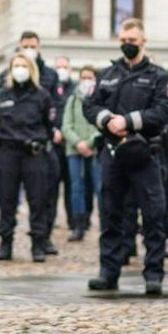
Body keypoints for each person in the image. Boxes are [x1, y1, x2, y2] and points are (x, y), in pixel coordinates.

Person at [83, 18, 168, 294]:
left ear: (143, 42)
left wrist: (129, 121)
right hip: (113, 152)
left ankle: (153, 274)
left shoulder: (158, 76)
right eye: (123, 41)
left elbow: (163, 110)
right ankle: (108, 271)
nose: (127, 45)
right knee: (111, 213)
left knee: (153, 214)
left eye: (132, 41)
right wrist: (107, 118)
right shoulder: (108, 73)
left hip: (144, 151)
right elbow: (90, 104)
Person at [0, 52, 58, 262]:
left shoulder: (42, 95)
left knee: (37, 200)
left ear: (31, 69)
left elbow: (49, 126)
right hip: (8, 152)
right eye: (16, 66)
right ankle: (5, 243)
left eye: (23, 65)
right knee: (7, 200)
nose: (20, 69)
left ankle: (38, 244)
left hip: (33, 153)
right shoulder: (2, 95)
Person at [61, 66, 101, 242]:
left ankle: (105, 223)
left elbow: (102, 124)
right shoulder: (73, 99)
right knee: (76, 188)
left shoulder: (101, 99)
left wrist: (90, 142)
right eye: (83, 77)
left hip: (95, 150)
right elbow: (66, 125)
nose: (86, 81)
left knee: (100, 187)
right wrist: (78, 143)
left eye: (90, 77)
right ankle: (78, 224)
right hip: (74, 150)